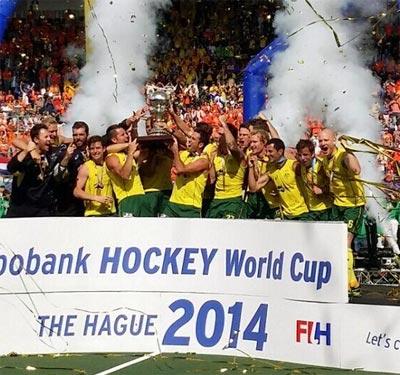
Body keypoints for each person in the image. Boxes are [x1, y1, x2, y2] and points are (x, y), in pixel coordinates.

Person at [318, 128, 366, 296]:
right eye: (320, 141)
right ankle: (352, 282)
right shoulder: (324, 160)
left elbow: (355, 169)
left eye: (326, 140)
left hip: (353, 204)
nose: (323, 144)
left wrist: (349, 152)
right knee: (338, 244)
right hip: (338, 205)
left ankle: (346, 283)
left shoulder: (342, 156)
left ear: (334, 140)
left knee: (345, 243)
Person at [248, 138, 310, 220]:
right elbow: (253, 188)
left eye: (270, 151)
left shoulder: (294, 166)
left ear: (280, 152)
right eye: (266, 151)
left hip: (302, 214)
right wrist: (251, 167)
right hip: (286, 216)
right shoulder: (272, 171)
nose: (267, 154)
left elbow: (308, 169)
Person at [7, 123, 57, 217]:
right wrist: (29, 150)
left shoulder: (50, 153)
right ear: (36, 140)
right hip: (21, 210)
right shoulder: (26, 158)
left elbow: (61, 139)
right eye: (46, 137)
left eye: (49, 136)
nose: (49, 139)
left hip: (41, 210)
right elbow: (11, 168)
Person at [163, 126, 210, 218]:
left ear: (200, 145)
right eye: (190, 138)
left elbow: (181, 169)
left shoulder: (204, 161)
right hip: (173, 204)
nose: (189, 141)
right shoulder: (184, 154)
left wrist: (175, 151)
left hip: (190, 207)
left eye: (193, 139)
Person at [105, 124, 151, 217]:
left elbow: (144, 153)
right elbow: (125, 175)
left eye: (126, 133)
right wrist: (130, 152)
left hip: (141, 197)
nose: (126, 136)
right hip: (128, 199)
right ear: (114, 140)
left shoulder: (127, 155)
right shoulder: (111, 158)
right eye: (122, 135)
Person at [207, 117, 247, 219]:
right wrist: (209, 163)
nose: (217, 137)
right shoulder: (216, 156)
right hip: (217, 200)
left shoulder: (239, 155)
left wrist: (224, 124)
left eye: (221, 135)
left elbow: (232, 146)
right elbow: (212, 179)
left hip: (233, 200)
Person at [73, 135, 116, 217]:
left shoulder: (109, 163)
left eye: (98, 148)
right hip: (93, 214)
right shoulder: (86, 167)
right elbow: (76, 191)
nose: (95, 151)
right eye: (92, 149)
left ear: (103, 149)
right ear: (88, 150)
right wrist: (96, 198)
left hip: (111, 212)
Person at [54, 121, 89, 216]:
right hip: (69, 204)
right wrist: (66, 157)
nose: (78, 138)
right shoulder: (66, 152)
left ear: (87, 135)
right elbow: (58, 176)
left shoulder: (94, 150)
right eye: (75, 135)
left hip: (91, 201)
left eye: (81, 134)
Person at [295, 139, 332, 220]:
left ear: (312, 154)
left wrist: (322, 190)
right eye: (300, 155)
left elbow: (335, 185)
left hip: (325, 209)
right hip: (311, 209)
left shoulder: (321, 166)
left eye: (305, 155)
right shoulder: (301, 166)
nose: (302, 158)